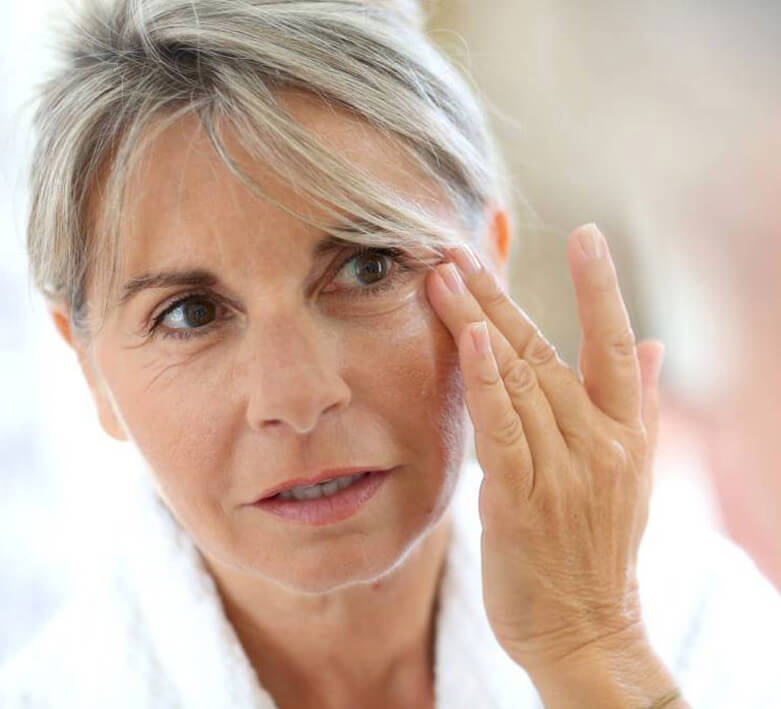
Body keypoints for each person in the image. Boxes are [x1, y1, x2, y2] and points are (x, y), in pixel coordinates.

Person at [2, 1, 780, 707]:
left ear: (492, 263)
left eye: (367, 267)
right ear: (89, 368)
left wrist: (589, 650)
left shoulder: (695, 622)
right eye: (190, 314)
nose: (297, 397)